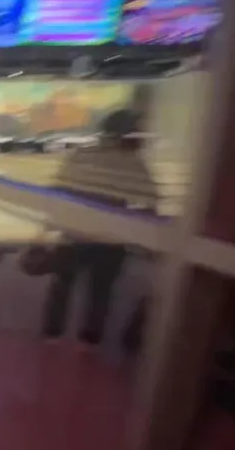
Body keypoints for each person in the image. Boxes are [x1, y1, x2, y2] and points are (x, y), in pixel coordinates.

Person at [41, 108, 159, 350]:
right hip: (111, 237)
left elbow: (59, 191)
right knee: (101, 289)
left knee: (62, 285)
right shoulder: (133, 162)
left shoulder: (82, 155)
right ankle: (90, 338)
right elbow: (151, 200)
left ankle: (52, 333)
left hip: (74, 233)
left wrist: (50, 225)